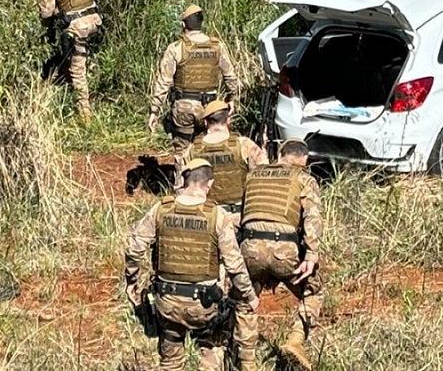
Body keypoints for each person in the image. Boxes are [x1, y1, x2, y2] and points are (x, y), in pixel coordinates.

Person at [124, 159, 259, 371]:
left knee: (170, 363)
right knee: (212, 347)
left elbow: (134, 248)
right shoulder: (217, 216)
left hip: (167, 303)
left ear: (183, 181)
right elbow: (234, 264)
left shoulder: (161, 209)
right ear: (210, 184)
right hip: (203, 306)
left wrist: (131, 280)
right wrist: (249, 295)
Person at [232, 139, 324, 371]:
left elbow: (243, 215)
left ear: (280, 154)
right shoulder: (304, 178)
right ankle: (295, 340)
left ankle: (247, 364)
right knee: (314, 291)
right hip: (284, 250)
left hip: (249, 248)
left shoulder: (254, 175)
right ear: (304, 160)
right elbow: (313, 217)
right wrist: (311, 255)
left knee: (245, 303)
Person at [147, 5, 239, 165]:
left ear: (183, 25)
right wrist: (232, 98)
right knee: (208, 148)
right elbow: (230, 76)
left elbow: (163, 81)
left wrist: (154, 110)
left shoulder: (176, 48)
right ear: (201, 23)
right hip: (211, 107)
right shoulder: (217, 46)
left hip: (184, 107)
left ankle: (182, 186)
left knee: (182, 152)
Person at [38, 0, 102, 119]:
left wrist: (47, 27)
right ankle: (74, 85)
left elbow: (47, 10)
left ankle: (85, 115)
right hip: (94, 21)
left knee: (77, 69)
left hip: (77, 28)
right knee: (73, 60)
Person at [181, 99, 268, 226]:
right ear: (228, 120)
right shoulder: (244, 144)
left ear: (205, 122)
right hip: (240, 216)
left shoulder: (192, 150)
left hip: (208, 219)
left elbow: (180, 188)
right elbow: (264, 177)